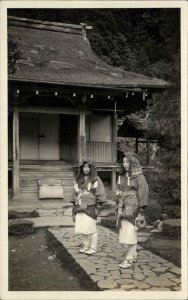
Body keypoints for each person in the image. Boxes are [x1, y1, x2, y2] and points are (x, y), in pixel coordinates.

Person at [116, 152, 149, 268]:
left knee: (130, 231)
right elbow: (118, 189)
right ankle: (134, 254)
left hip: (134, 207)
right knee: (126, 230)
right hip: (123, 206)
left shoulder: (139, 177)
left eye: (127, 162)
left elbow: (143, 193)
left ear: (133, 162)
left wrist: (142, 210)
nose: (125, 165)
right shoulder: (122, 176)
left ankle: (129, 258)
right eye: (124, 162)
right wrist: (118, 194)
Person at [71, 159, 106, 255]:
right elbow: (74, 193)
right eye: (84, 167)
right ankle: (85, 246)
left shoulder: (96, 179)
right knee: (83, 227)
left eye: (88, 167)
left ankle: (93, 247)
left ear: (91, 168)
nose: (86, 169)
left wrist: (98, 207)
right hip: (80, 205)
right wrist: (75, 203)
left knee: (91, 227)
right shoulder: (78, 179)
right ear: (82, 168)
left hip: (90, 206)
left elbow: (100, 193)